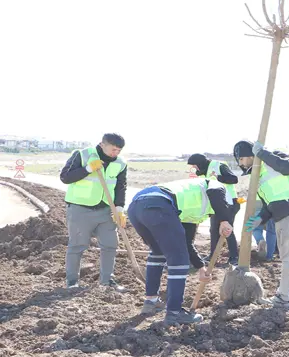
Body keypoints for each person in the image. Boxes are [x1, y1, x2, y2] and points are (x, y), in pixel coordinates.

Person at [127, 177, 234, 325]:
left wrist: (200, 267)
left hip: (137, 207)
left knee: (158, 251)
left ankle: (151, 302)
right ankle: (175, 313)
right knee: (179, 260)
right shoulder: (215, 186)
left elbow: (186, 243)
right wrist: (224, 220)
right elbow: (215, 191)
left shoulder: (188, 208)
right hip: (159, 205)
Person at [233, 140, 289, 310]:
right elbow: (270, 204)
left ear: (249, 155)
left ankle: (283, 299)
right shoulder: (259, 175)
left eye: (241, 159)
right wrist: (260, 219)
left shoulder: (275, 157)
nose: (240, 164)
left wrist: (263, 153)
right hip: (288, 216)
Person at [59, 133, 128, 291]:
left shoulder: (121, 163)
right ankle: (72, 282)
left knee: (110, 245)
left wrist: (119, 208)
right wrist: (88, 169)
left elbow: (120, 186)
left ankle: (107, 281)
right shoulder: (82, 155)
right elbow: (65, 177)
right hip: (80, 209)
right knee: (77, 245)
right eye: (113, 149)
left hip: (106, 210)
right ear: (102, 144)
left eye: (118, 150)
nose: (115, 153)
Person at [187, 153, 240, 266]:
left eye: (195, 165)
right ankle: (213, 256)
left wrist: (218, 178)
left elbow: (234, 179)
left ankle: (234, 258)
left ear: (200, 163)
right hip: (216, 205)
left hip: (229, 202)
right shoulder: (203, 172)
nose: (194, 168)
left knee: (227, 230)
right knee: (214, 230)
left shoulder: (218, 165)